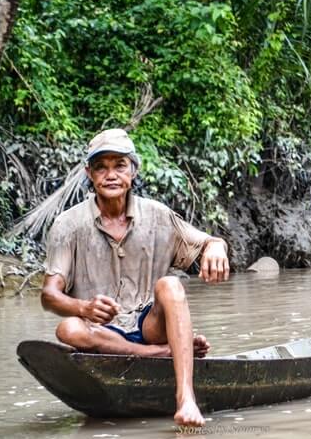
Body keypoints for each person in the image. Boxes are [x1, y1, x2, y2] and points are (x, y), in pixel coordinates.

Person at [40, 128, 229, 427]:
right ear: (89, 173)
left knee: (171, 285)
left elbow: (207, 241)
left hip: (149, 325)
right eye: (101, 167)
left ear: (133, 170)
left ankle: (186, 399)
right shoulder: (68, 224)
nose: (111, 175)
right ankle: (162, 353)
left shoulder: (157, 215)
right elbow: (49, 295)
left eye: (120, 165)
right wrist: (83, 308)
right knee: (68, 328)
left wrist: (217, 246)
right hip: (101, 334)